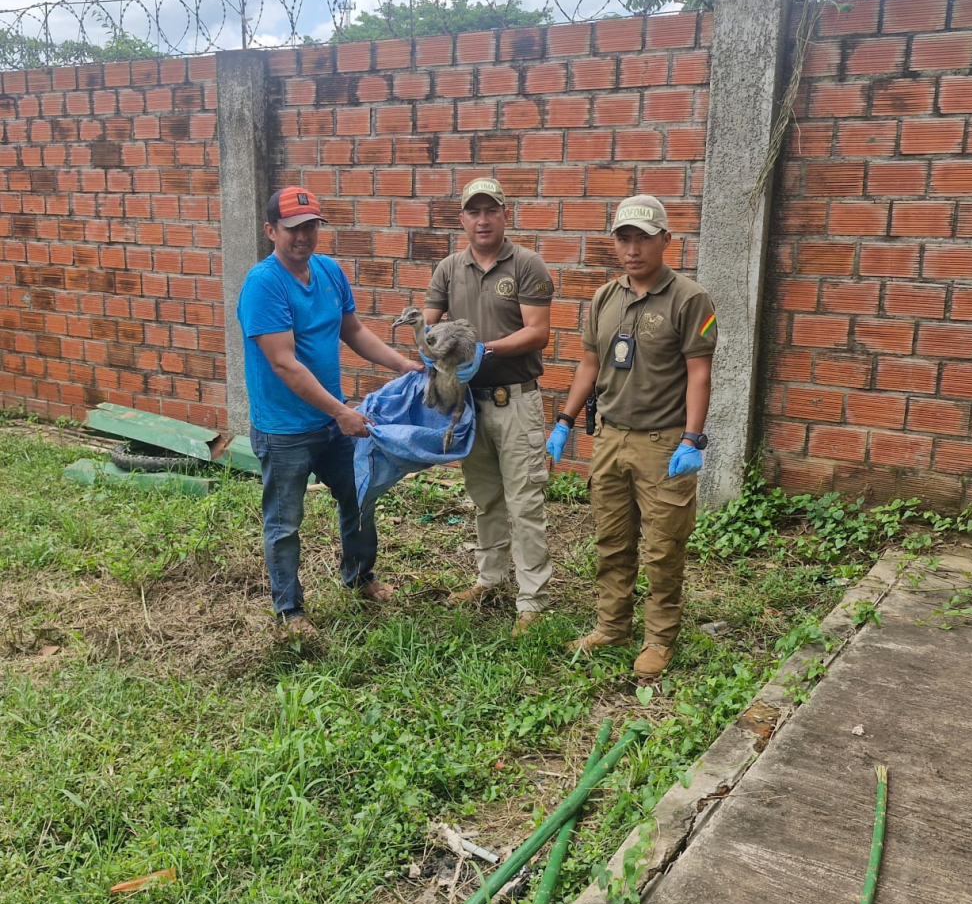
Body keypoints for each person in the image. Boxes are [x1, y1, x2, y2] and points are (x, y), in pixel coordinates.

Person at [237, 186, 424, 639]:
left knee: (359, 497)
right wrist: (342, 411)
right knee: (284, 522)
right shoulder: (263, 284)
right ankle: (290, 611)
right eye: (293, 228)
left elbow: (353, 331)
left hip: (332, 422)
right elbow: (285, 363)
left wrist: (403, 365)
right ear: (270, 231)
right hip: (285, 430)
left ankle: (359, 578)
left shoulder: (328, 271)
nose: (304, 237)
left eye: (311, 227)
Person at [545, 195, 717, 682]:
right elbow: (589, 364)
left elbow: (699, 373)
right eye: (624, 237)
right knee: (612, 541)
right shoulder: (605, 297)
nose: (634, 248)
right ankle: (611, 626)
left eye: (644, 237)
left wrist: (692, 439)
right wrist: (564, 419)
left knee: (664, 547)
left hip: (664, 444)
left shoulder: (689, 298)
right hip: (610, 439)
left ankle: (659, 638)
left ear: (667, 240)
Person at [424, 177, 554, 636]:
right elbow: (430, 322)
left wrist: (488, 351)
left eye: (491, 210)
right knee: (484, 498)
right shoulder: (448, 268)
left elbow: (538, 332)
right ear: (462, 218)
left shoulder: (527, 264)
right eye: (473, 212)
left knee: (525, 502)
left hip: (515, 401)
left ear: (504, 215)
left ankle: (532, 599)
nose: (482, 219)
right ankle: (491, 578)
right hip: (470, 405)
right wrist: (430, 347)